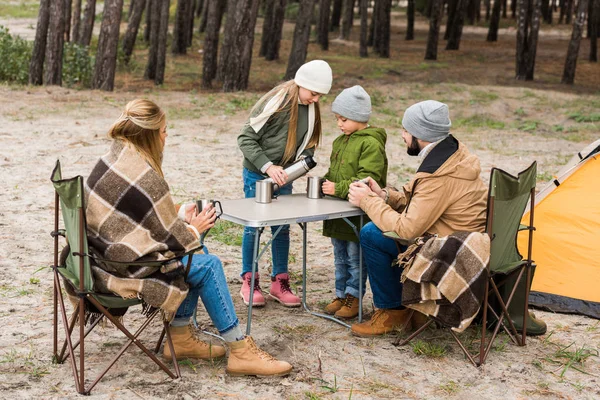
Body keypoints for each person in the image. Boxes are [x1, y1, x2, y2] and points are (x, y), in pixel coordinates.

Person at [85, 99, 292, 377]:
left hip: (95, 260)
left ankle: (180, 337)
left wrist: (179, 212)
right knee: (206, 263)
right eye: (164, 130)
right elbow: (162, 240)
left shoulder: (114, 159)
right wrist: (193, 229)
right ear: (149, 134)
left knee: (196, 253)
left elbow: (133, 217)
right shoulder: (143, 173)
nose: (166, 136)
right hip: (123, 270)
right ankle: (241, 351)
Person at [347, 100, 488, 337]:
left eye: (406, 130)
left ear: (420, 135)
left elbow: (406, 229)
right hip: (460, 235)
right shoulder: (453, 153)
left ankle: (393, 312)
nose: (402, 135)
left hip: (448, 250)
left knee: (372, 233)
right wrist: (384, 195)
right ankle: (408, 308)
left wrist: (366, 201)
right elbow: (424, 204)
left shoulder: (438, 175)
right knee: (379, 228)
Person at [237, 60, 333, 307]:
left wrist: (302, 161)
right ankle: (250, 279)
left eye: (321, 96)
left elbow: (309, 141)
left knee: (281, 228)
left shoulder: (311, 109)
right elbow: (246, 138)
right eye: (314, 94)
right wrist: (268, 166)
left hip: (285, 177)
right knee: (254, 228)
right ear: (302, 84)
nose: (316, 100)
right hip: (258, 174)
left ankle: (279, 281)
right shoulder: (276, 103)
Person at [320, 85, 388, 319]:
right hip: (339, 211)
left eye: (344, 119)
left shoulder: (371, 144)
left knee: (355, 257)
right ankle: (341, 294)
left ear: (359, 117)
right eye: (337, 118)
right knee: (340, 256)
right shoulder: (340, 141)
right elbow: (334, 171)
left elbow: (368, 179)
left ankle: (354, 296)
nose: (339, 123)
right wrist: (323, 182)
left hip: (358, 213)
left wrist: (336, 188)